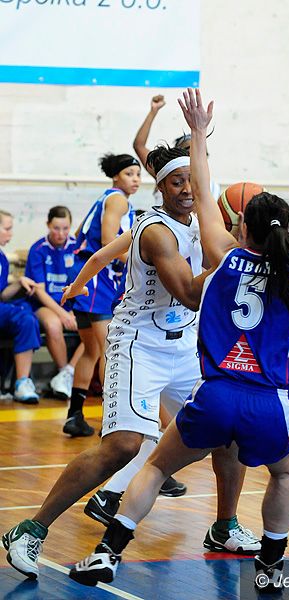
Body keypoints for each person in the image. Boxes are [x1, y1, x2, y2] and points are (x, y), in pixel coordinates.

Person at [61, 91, 289, 591]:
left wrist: (197, 132)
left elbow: (202, 188)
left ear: (240, 226)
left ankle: (107, 553)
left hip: (215, 395)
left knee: (155, 468)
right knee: (283, 475)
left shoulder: (222, 255)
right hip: (270, 401)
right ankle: (271, 568)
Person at [2, 141, 260, 581]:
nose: (185, 189)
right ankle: (30, 529)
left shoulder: (201, 221)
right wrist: (238, 256)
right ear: (160, 187)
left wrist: (77, 285)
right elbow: (190, 293)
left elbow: (101, 256)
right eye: (175, 182)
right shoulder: (156, 231)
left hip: (185, 345)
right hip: (140, 343)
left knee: (229, 430)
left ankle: (224, 527)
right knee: (122, 446)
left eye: (190, 181)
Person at [63, 153, 141, 436]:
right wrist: (139, 262)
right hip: (98, 281)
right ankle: (112, 419)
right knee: (110, 350)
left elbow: (79, 234)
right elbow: (109, 241)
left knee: (91, 350)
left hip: (87, 279)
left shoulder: (104, 199)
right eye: (129, 174)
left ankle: (75, 415)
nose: (136, 179)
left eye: (138, 174)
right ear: (116, 176)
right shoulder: (118, 200)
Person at [25, 206, 84, 399]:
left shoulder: (76, 247)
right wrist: (63, 314)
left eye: (65, 228)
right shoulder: (38, 249)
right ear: (48, 225)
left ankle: (68, 372)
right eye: (56, 228)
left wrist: (74, 310)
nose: (61, 233)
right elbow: (39, 291)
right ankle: (62, 371)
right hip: (44, 305)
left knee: (95, 325)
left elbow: (83, 283)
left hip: (71, 303)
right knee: (53, 324)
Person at [133, 94, 221, 204]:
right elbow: (139, 145)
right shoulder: (167, 172)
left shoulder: (213, 187)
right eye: (177, 183)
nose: (194, 153)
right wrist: (153, 111)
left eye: (200, 150)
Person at [0, 210, 41, 403]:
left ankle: (22, 382)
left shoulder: (2, 258)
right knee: (23, 315)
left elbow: (2, 294)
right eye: (7, 229)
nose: (11, 234)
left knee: (26, 315)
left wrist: (19, 282)